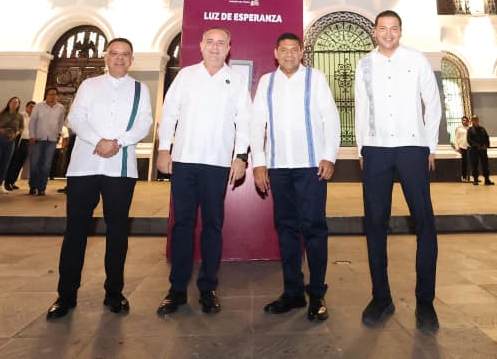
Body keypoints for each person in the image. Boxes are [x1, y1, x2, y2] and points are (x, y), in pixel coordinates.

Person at [46, 39, 154, 320]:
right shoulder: (89, 85)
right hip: (85, 166)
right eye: (114, 53)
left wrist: (118, 142)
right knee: (75, 231)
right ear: (106, 57)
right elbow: (76, 117)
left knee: (117, 232)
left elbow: (144, 122)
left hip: (120, 169)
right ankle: (66, 295)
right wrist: (99, 141)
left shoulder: (140, 89)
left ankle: (114, 293)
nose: (119, 58)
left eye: (125, 54)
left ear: (132, 60)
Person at [354, 10, 443, 332]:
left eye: (393, 28)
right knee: (375, 224)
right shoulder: (364, 64)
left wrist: (430, 147)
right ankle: (381, 298)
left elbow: (433, 103)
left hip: (412, 148)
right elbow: (361, 107)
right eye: (383, 28)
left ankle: (425, 302)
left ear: (400, 31)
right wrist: (362, 148)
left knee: (425, 223)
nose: (388, 33)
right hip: (376, 149)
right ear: (374, 32)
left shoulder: (417, 60)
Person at [155, 27, 250, 316]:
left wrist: (241, 156)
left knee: (212, 226)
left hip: (217, 164)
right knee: (182, 225)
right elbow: (169, 113)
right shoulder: (186, 76)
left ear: (229, 48)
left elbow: (244, 121)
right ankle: (177, 289)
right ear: (201, 45)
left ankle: (208, 288)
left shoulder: (236, 80)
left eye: (221, 43)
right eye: (210, 42)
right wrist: (163, 149)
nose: (215, 47)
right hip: (184, 161)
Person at [251, 32, 340, 322]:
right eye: (284, 50)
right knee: (287, 229)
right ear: (275, 53)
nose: (289, 54)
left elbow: (331, 118)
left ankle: (317, 294)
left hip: (312, 166)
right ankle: (292, 293)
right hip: (278, 168)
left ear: (301, 52)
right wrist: (259, 163)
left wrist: (329, 155)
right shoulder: (267, 82)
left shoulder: (316, 79)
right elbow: (257, 123)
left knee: (314, 228)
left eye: (294, 49)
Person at [28, 88, 66, 196]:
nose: (52, 96)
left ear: (57, 96)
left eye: (54, 94)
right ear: (46, 95)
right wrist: (32, 136)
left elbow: (61, 122)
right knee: (34, 164)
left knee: (46, 165)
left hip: (52, 140)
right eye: (50, 94)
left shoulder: (61, 108)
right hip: (38, 139)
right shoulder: (38, 106)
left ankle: (42, 188)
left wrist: (59, 134)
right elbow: (32, 121)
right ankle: (33, 186)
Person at [0, 97, 23, 195]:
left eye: (16, 102)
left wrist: (15, 134)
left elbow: (21, 128)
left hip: (11, 141)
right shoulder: (1, 114)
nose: (14, 104)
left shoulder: (19, 116)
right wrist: (0, 130)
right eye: (12, 102)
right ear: (9, 103)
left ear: (18, 105)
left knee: (5, 163)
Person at [5, 100, 34, 191]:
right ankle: (7, 182)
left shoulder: (34, 118)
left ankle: (13, 181)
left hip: (27, 141)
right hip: (18, 140)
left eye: (34, 107)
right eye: (31, 106)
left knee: (20, 163)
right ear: (26, 107)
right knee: (13, 162)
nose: (32, 109)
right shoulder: (20, 115)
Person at [466, 115, 493, 185]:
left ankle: (487, 180)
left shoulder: (482, 129)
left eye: (476, 119)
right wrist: (476, 145)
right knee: (474, 165)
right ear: (472, 121)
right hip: (474, 150)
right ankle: (475, 180)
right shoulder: (470, 130)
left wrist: (486, 145)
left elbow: (486, 137)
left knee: (485, 164)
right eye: (473, 119)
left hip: (483, 150)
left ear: (478, 120)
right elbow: (469, 140)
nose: (475, 121)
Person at [454, 116, 471, 183]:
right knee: (464, 163)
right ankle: (464, 177)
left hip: (470, 148)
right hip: (462, 147)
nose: (464, 121)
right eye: (463, 120)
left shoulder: (470, 128)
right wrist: (457, 148)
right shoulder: (459, 129)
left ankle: (472, 177)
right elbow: (456, 138)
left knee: (471, 163)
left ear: (468, 121)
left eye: (465, 120)